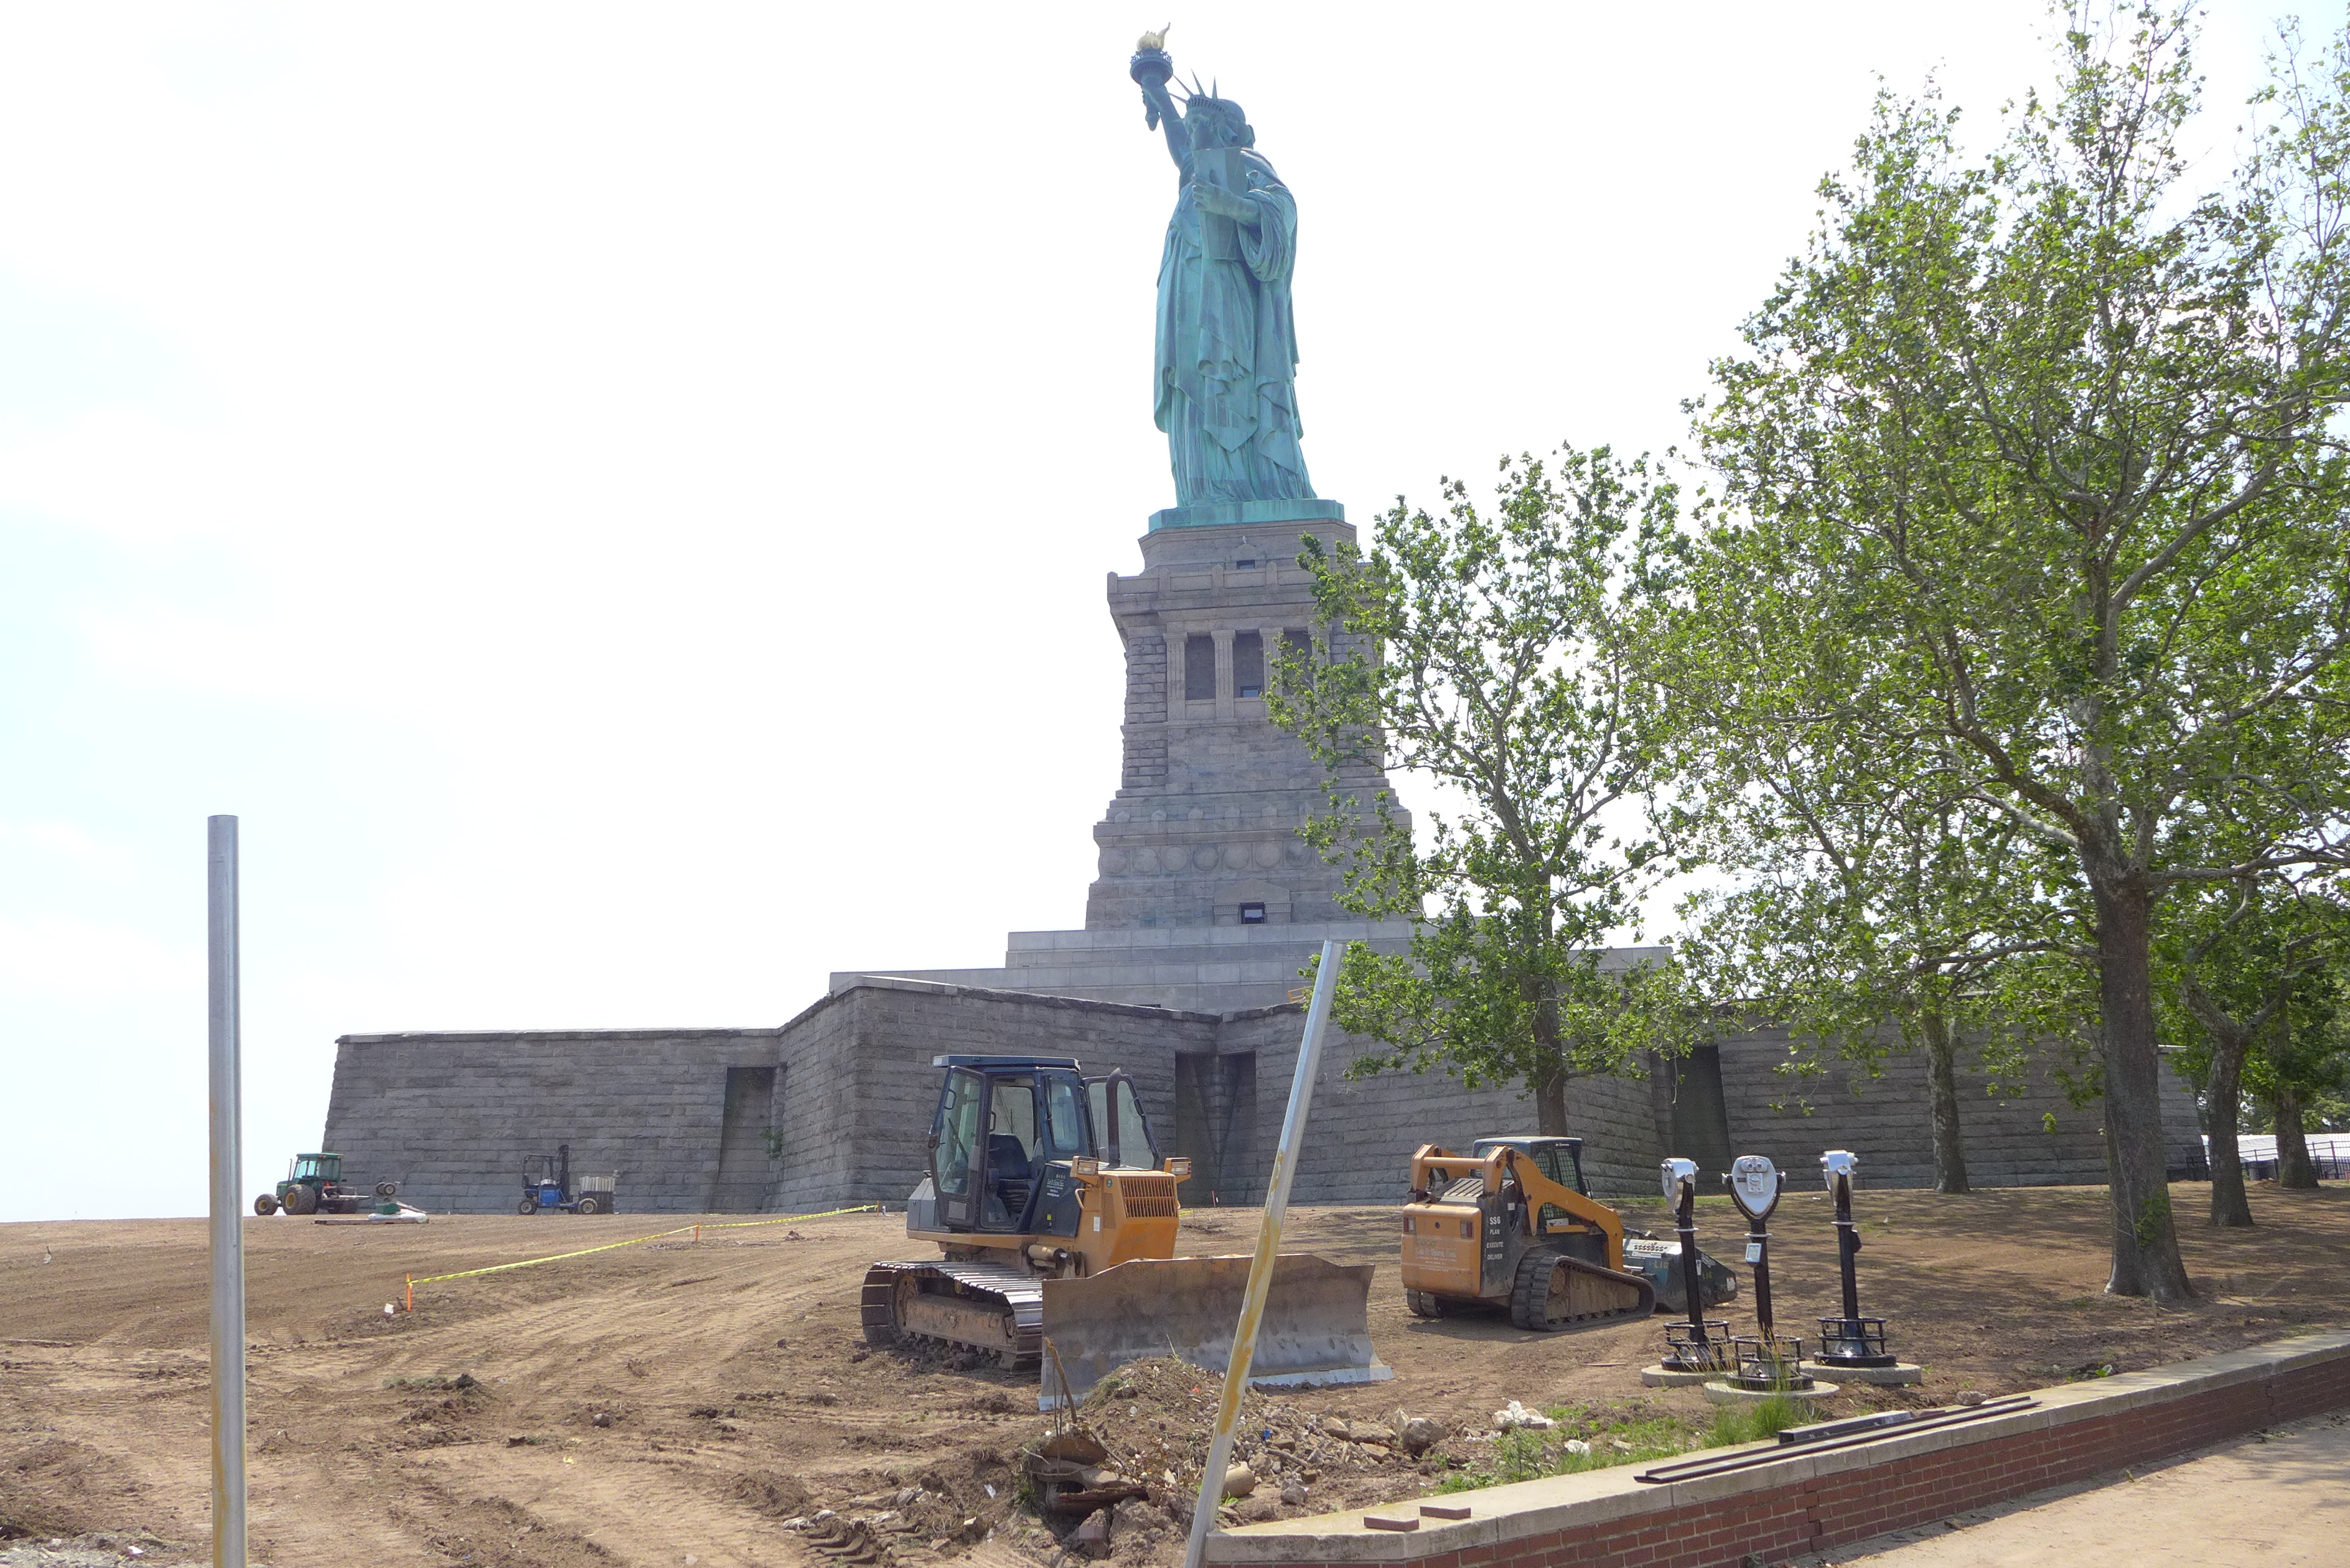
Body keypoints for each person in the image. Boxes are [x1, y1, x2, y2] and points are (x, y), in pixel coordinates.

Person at [1134, 71, 1317, 507]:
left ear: (1229, 133)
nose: (1192, 133)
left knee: (1233, 385)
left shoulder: (1244, 163)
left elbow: (1283, 208)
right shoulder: (1198, 171)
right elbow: (1180, 147)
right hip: (1188, 299)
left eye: (1201, 125)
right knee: (1194, 391)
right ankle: (1206, 492)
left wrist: (1230, 205)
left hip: (1229, 300)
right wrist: (1158, 92)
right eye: (1191, 124)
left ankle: (1261, 487)